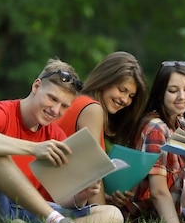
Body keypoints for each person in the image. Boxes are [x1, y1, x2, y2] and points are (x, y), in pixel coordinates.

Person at [0, 58, 124, 223]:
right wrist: (33, 148)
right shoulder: (0, 111)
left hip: (26, 211)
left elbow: (58, 199)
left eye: (64, 106)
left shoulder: (55, 135)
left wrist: (81, 196)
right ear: (36, 86)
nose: (56, 110)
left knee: (112, 214)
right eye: (52, 98)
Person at [109, 61, 185, 223]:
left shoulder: (180, 122)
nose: (182, 96)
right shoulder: (156, 129)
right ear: (161, 93)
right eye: (173, 91)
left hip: (172, 211)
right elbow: (158, 191)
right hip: (143, 218)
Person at [55, 51, 148, 205]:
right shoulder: (92, 109)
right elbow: (93, 171)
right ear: (105, 80)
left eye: (131, 96)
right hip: (52, 198)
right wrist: (103, 212)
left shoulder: (79, 101)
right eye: (122, 90)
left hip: (57, 193)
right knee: (112, 217)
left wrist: (107, 198)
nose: (125, 100)